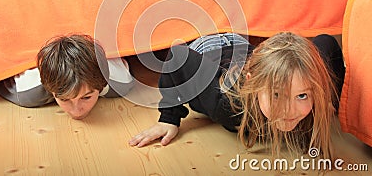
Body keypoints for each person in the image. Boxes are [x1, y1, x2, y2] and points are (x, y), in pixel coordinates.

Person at [129, 32, 345, 159]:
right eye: (277, 95)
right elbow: (178, 57)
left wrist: (331, 101)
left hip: (248, 53)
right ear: (253, 82)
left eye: (302, 96)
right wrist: (169, 118)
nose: (289, 111)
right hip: (209, 48)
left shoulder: (313, 87)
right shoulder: (224, 103)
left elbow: (328, 42)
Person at [0, 34, 134, 120]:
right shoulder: (27, 92)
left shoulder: (120, 83)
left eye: (86, 97)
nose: (76, 111)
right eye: (64, 99)